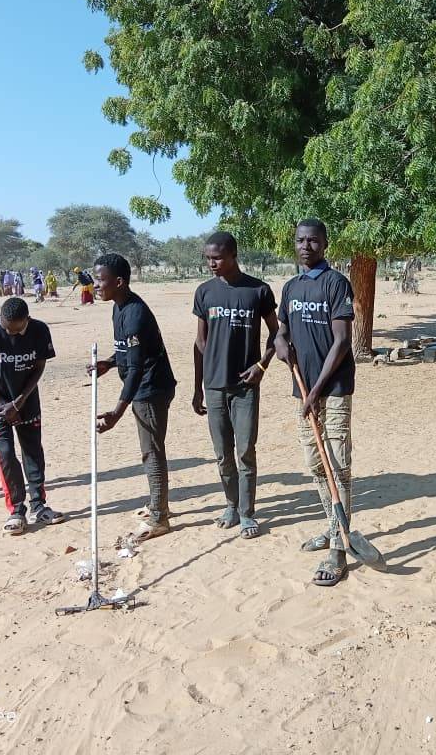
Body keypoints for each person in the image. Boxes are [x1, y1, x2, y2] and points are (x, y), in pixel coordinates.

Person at [273, 219, 357, 587]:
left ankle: (338, 548)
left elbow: (341, 343)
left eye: (313, 240)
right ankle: (332, 523)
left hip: (333, 387)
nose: (306, 246)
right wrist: (278, 343)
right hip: (304, 390)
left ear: (324, 244)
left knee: (337, 464)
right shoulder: (291, 288)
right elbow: (282, 330)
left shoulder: (336, 284)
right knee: (314, 462)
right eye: (300, 240)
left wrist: (316, 390)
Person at [192, 232, 278, 539]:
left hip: (245, 387)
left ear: (233, 256)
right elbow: (200, 342)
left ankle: (247, 513)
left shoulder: (258, 290)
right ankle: (230, 504)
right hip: (214, 386)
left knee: (244, 451)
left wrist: (262, 365)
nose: (211, 264)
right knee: (222, 453)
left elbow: (277, 335)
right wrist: (198, 386)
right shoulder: (204, 292)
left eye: (216, 258)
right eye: (207, 258)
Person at [90, 253, 177, 542]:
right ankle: (157, 503)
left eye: (100, 280)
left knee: (151, 451)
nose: (95, 285)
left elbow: (138, 367)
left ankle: (159, 516)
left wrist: (117, 411)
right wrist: (110, 362)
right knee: (151, 448)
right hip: (141, 385)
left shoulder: (136, 314)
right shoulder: (119, 307)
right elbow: (129, 353)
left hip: (151, 389)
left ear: (119, 281)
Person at [0, 297, 65, 535]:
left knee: (33, 452)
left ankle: (39, 506)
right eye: (7, 327)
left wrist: (20, 400)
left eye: (17, 329)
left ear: (26, 321)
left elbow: (39, 366)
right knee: (6, 454)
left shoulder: (39, 330)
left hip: (27, 404)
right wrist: (4, 404)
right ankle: (17, 511)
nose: (12, 333)